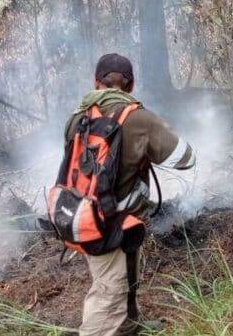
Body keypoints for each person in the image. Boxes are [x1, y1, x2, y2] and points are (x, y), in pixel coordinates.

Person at [65, 53, 195, 335]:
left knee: (123, 273)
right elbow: (186, 158)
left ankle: (128, 324)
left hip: (83, 214)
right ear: (131, 84)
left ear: (95, 83)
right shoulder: (139, 119)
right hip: (112, 219)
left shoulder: (78, 117)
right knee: (108, 291)